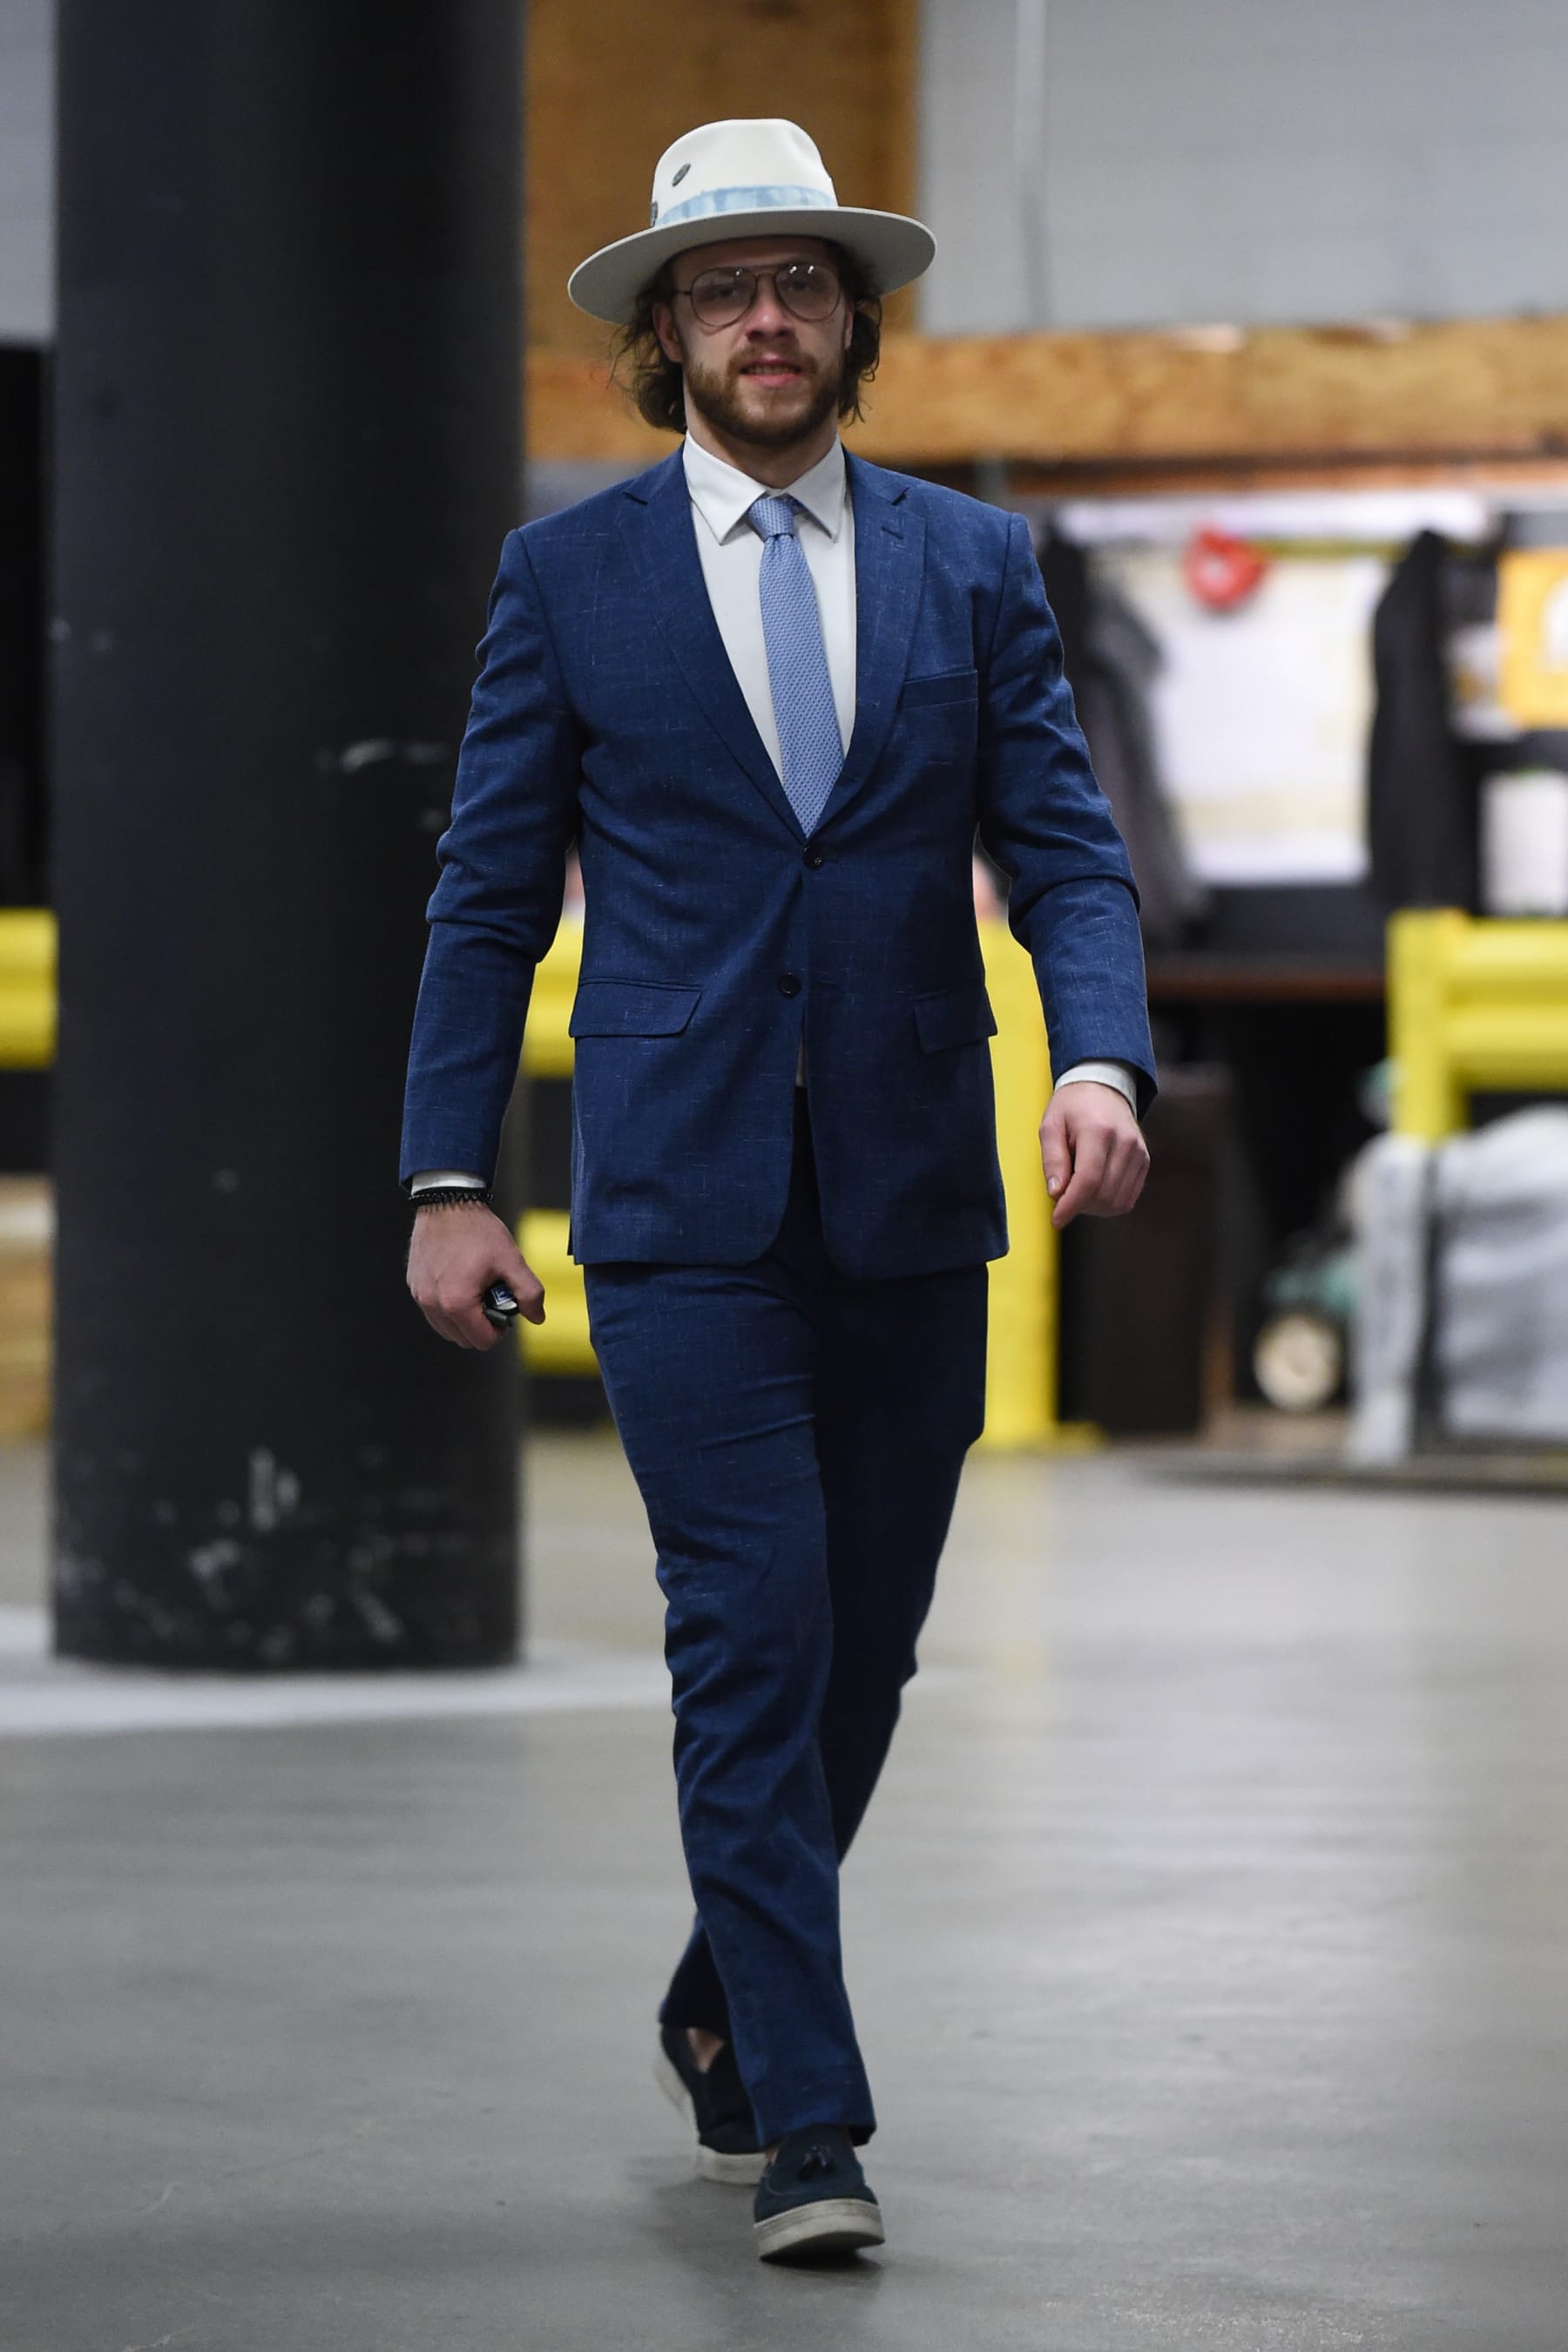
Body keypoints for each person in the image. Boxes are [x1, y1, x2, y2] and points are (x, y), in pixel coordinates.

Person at [402, 117, 1153, 2263]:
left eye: (803, 283)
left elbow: (1072, 850)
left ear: (852, 318)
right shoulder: (571, 582)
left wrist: (1097, 1048)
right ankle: (811, 2128)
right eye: (725, 289)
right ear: (665, 335)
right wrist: (451, 1174)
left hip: (918, 1192)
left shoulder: (974, 564)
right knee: (754, 1637)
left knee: (867, 1659)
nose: (766, 318)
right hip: (681, 1209)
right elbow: (481, 905)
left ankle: (718, 2002)